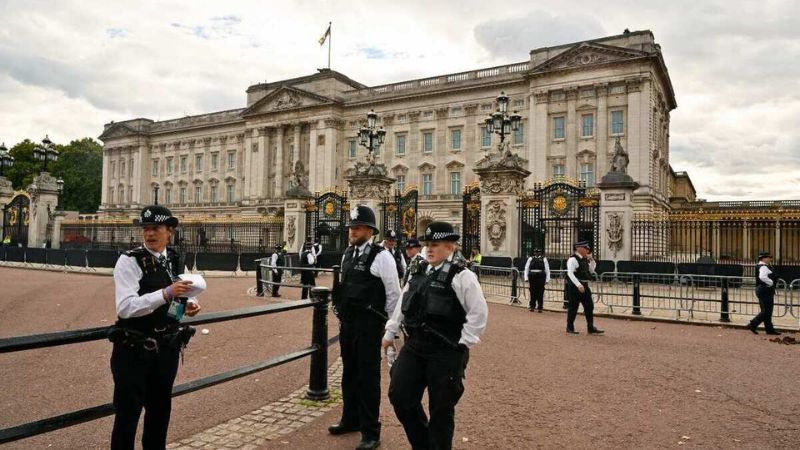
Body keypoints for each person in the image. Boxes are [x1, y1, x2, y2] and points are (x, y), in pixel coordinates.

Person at [384, 222, 488, 450]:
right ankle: (423, 444)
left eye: (435, 244)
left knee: (441, 410)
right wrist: (390, 331)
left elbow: (478, 313)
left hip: (445, 349)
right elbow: (403, 302)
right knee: (400, 395)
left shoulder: (463, 276)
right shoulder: (418, 271)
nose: (429, 249)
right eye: (428, 244)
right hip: (415, 345)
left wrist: (463, 342)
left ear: (450, 247)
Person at [109, 205, 202, 450]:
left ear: (169, 231)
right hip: (134, 350)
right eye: (146, 228)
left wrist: (188, 302)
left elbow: (179, 292)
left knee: (160, 415)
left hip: (166, 349)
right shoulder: (129, 261)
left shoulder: (174, 258)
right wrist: (165, 293)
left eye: (156, 228)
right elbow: (125, 308)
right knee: (127, 417)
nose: (150, 233)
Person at [329, 205, 401, 450]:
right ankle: (351, 419)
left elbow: (393, 294)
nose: (353, 231)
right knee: (349, 374)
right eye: (351, 227)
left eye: (358, 227)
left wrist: (390, 329)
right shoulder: (348, 254)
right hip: (348, 324)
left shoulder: (382, 256)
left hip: (369, 325)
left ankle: (371, 431)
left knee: (368, 378)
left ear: (370, 231)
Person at [565, 241, 603, 335]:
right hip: (575, 287)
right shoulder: (573, 259)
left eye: (588, 248)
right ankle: (570, 327)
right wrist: (578, 285)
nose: (588, 250)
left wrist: (592, 261)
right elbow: (570, 273)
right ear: (579, 248)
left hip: (585, 285)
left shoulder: (584, 259)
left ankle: (590, 327)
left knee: (589, 306)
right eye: (586, 248)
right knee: (573, 307)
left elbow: (591, 271)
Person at [748, 252, 782, 335]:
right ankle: (753, 324)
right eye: (768, 257)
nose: (770, 259)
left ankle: (769, 329)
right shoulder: (763, 266)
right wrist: (771, 283)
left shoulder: (764, 266)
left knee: (767, 310)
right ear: (763, 258)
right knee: (767, 311)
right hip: (765, 289)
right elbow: (762, 277)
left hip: (763, 290)